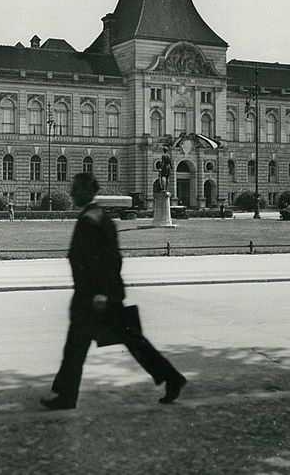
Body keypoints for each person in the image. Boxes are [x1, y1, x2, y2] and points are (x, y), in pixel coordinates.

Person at [41, 172, 186, 411]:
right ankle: (65, 395)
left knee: (123, 342)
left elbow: (110, 261)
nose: (71, 193)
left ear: (89, 191)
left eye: (76, 189)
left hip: (97, 298)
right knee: (81, 345)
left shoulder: (95, 218)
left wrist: (100, 294)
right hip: (92, 296)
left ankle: (172, 378)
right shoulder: (92, 216)